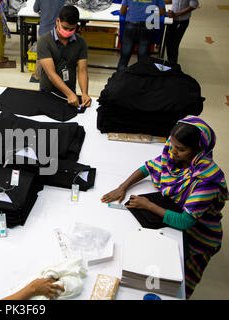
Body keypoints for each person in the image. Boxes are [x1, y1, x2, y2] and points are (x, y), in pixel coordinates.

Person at [101, 116, 228, 299]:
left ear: (198, 150)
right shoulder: (173, 152)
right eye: (172, 144)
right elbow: (148, 167)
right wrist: (123, 187)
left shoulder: (207, 179)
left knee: (177, 283)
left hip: (199, 236)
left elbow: (185, 222)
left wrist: (148, 205)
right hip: (175, 213)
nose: (173, 151)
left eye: (181, 149)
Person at [37, 5, 91, 108]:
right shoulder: (44, 41)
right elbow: (51, 74)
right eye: (65, 28)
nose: (68, 32)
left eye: (72, 29)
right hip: (49, 92)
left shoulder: (81, 42)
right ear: (58, 21)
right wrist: (70, 94)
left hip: (70, 89)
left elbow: (82, 70)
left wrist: (84, 93)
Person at [117, 0, 166, 71]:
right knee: (143, 60)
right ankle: (140, 79)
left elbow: (122, 11)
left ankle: (119, 78)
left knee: (124, 58)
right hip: (147, 26)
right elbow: (162, 12)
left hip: (131, 24)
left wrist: (133, 14)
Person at [164, 0, 199, 64]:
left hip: (181, 21)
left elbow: (194, 5)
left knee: (174, 45)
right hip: (171, 19)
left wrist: (176, 14)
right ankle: (170, 63)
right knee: (168, 42)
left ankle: (173, 66)